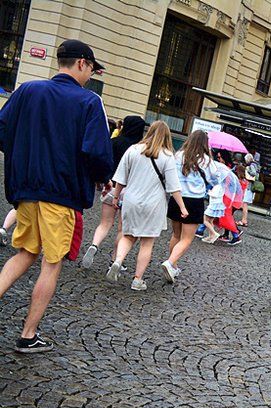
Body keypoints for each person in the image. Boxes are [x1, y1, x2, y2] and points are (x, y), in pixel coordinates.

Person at [0, 40, 113, 353]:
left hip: (25, 189)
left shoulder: (27, 90)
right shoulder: (89, 102)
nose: (90, 75)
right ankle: (28, 334)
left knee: (24, 252)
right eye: (91, 68)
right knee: (52, 262)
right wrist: (102, 179)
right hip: (61, 194)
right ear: (80, 63)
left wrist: (24, 157)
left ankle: (28, 333)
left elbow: (2, 130)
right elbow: (97, 152)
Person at [106, 121, 188, 290]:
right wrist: (182, 207)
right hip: (154, 203)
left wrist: (115, 197)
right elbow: (174, 187)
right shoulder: (167, 156)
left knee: (128, 236)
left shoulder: (133, 150)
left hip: (131, 199)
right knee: (147, 243)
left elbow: (120, 177)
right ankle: (137, 280)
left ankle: (118, 261)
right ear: (167, 136)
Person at [81, 115, 147, 270]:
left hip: (110, 186)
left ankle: (94, 245)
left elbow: (102, 161)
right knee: (122, 230)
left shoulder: (114, 142)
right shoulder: (140, 149)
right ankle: (115, 260)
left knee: (104, 224)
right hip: (129, 191)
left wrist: (103, 179)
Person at [161, 130, 225, 283]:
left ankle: (173, 266)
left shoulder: (178, 155)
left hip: (176, 198)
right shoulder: (206, 161)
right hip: (194, 201)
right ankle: (170, 263)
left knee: (176, 235)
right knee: (187, 238)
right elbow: (216, 179)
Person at [240, 153, 259, 227]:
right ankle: (244, 220)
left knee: (244, 204)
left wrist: (247, 170)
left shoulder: (252, 165)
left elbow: (253, 173)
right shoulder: (255, 165)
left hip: (249, 187)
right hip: (249, 187)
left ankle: (244, 220)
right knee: (244, 204)